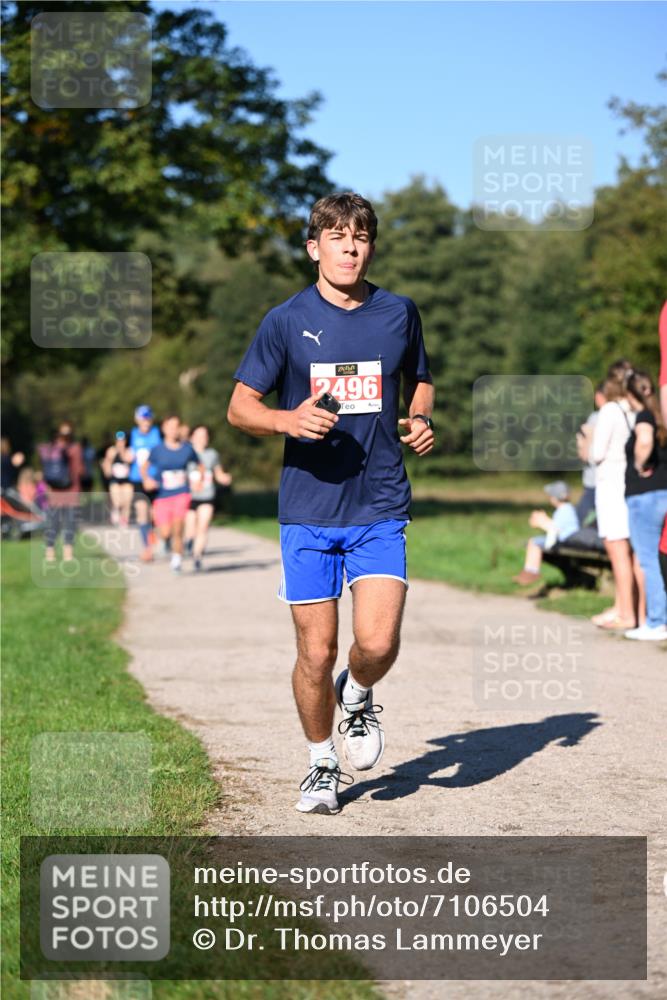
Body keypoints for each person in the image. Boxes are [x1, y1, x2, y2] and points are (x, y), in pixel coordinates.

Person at [227, 192, 434, 815]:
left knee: (377, 644)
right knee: (315, 653)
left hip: (379, 504)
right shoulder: (285, 321)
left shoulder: (399, 312)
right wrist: (286, 419)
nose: (350, 247)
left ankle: (361, 692)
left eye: (361, 236)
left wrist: (420, 416)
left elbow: (419, 379)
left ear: (370, 247)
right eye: (337, 236)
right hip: (309, 511)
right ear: (314, 247)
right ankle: (321, 765)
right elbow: (240, 408)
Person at [589, 362, 637, 631]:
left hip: (610, 485)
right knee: (630, 552)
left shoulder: (609, 410)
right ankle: (624, 606)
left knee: (617, 552)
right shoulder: (635, 409)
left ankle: (625, 612)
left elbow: (596, 453)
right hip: (631, 485)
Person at [623, 370, 667, 641]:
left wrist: (640, 466)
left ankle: (657, 621)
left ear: (630, 395)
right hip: (664, 493)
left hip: (645, 496)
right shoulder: (662, 414)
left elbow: (645, 441)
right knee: (660, 557)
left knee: (648, 559)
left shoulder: (644, 417)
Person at [143, 415, 203, 574]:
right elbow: (144, 467)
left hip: (182, 494)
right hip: (162, 495)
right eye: (170, 426)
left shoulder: (187, 449)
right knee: (165, 532)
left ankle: (176, 560)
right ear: (164, 429)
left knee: (178, 529)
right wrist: (147, 480)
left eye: (176, 426)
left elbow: (200, 465)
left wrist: (198, 480)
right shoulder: (157, 450)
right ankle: (163, 542)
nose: (173, 430)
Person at [184, 425, 232, 572]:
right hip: (189, 497)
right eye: (199, 435)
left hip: (207, 495)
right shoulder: (185, 453)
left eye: (205, 435)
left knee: (203, 527)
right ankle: (189, 543)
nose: (202, 439)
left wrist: (224, 478)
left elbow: (218, 473)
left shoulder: (212, 454)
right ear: (191, 437)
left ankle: (197, 557)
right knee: (190, 530)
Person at [512, 481, 580, 585]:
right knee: (534, 541)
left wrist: (542, 522)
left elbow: (555, 530)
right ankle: (529, 571)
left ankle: (532, 571)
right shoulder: (566, 509)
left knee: (534, 542)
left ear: (554, 498)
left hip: (564, 540)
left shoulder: (564, 510)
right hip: (565, 539)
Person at [38, 421, 83, 563]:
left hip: (55, 491)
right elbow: (80, 470)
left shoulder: (50, 449)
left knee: (54, 522)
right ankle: (67, 554)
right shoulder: (75, 448)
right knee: (69, 522)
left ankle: (50, 553)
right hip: (70, 491)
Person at [127, 405, 161, 562]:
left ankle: (155, 541)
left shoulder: (157, 433)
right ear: (137, 419)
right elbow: (127, 456)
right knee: (142, 514)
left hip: (156, 479)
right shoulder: (131, 435)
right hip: (138, 480)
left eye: (148, 418)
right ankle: (148, 549)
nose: (145, 421)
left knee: (155, 515)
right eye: (142, 418)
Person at [575, 382, 606, 528]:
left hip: (594, 481)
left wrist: (582, 440)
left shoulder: (595, 417)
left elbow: (584, 454)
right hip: (611, 481)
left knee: (579, 523)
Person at [101, 431, 133, 527]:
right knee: (117, 501)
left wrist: (122, 452)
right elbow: (106, 463)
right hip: (115, 479)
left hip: (126, 480)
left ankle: (124, 520)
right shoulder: (111, 451)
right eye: (119, 441)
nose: (120, 443)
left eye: (122, 441)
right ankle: (115, 512)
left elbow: (129, 460)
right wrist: (107, 471)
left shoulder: (129, 451)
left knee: (127, 501)